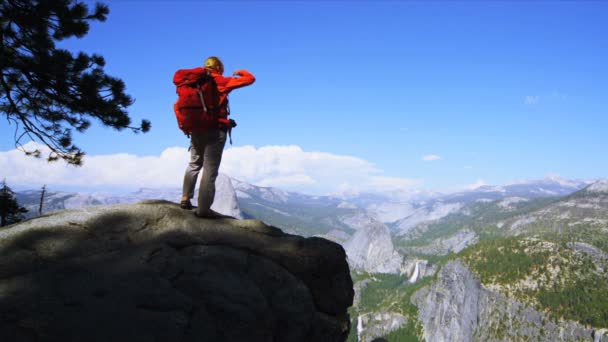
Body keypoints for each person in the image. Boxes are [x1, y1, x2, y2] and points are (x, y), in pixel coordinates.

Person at [180, 56, 255, 218]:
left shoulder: (193, 83)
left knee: (194, 163)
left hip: (196, 129)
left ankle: (185, 198)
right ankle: (203, 210)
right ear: (219, 68)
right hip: (215, 130)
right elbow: (250, 79)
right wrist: (240, 72)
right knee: (210, 170)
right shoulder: (220, 81)